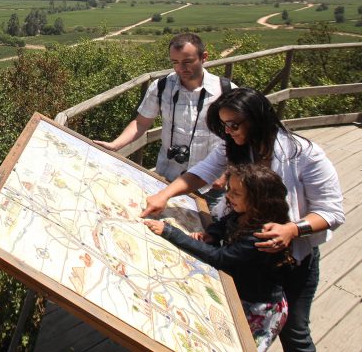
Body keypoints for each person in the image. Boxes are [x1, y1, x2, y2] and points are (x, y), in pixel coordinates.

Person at [141, 87, 345, 352]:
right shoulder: (235, 146)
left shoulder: (305, 154)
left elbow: (332, 212)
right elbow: (202, 172)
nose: (228, 132)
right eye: (224, 125)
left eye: (233, 125)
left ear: (257, 119)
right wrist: (164, 195)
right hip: (248, 258)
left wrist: (292, 230)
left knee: (295, 333)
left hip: (293, 260)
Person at [144, 163, 292, 351]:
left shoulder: (260, 235)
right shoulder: (245, 213)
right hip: (238, 293)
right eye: (229, 189)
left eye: (236, 193)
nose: (228, 196)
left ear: (258, 200)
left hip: (257, 308)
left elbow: (220, 258)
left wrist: (171, 232)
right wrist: (212, 235)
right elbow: (224, 223)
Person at [95, 33, 232, 184]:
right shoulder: (161, 87)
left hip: (210, 181)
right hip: (167, 176)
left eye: (187, 61)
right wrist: (115, 145)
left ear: (204, 57)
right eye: (175, 62)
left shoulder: (226, 91)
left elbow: (241, 138)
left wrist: (227, 173)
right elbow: (141, 123)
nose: (181, 68)